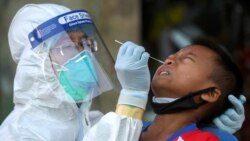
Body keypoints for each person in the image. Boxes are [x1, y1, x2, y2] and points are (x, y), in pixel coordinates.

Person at [0, 3, 245, 141]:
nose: (84, 55)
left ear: (211, 93)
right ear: (37, 61)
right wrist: (132, 95)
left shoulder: (84, 120)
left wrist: (211, 129)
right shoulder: (22, 133)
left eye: (85, 44)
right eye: (70, 46)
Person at [134, 38, 244, 141]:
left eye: (187, 59)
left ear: (210, 93)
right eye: (173, 55)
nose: (168, 59)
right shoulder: (132, 126)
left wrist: (131, 98)